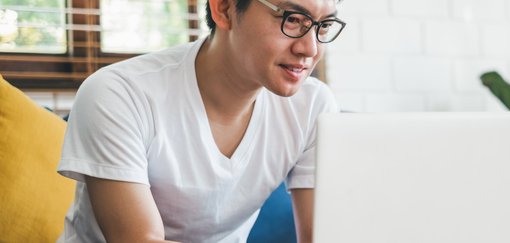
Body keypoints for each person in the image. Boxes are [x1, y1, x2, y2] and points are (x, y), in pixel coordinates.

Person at [55, 0, 345, 242]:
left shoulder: (312, 106)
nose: (310, 49)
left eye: (324, 26)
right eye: (292, 20)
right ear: (224, 8)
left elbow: (321, 236)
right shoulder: (118, 93)